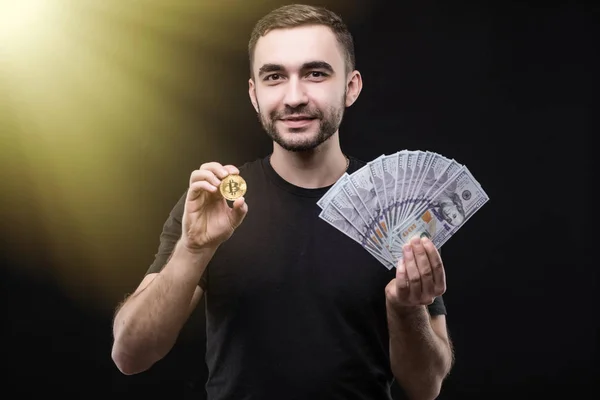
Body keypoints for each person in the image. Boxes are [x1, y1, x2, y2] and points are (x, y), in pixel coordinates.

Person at [111, 4, 454, 400]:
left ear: (351, 86)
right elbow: (130, 354)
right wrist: (193, 250)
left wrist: (405, 307)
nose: (294, 97)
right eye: (274, 76)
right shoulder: (214, 204)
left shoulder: (393, 208)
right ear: (254, 94)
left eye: (315, 73)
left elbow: (426, 386)